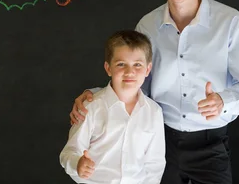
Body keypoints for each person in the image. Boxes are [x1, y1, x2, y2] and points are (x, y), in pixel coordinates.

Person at [69, 0, 239, 184]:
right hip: (160, 141)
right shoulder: (147, 25)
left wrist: (222, 101)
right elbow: (136, 81)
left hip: (211, 144)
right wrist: (94, 94)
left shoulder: (230, 21)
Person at [60, 29, 165, 184]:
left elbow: (154, 163)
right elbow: (68, 152)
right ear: (108, 68)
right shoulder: (91, 107)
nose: (130, 72)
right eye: (121, 64)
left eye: (137, 65)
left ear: (147, 69)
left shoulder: (154, 112)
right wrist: (78, 164)